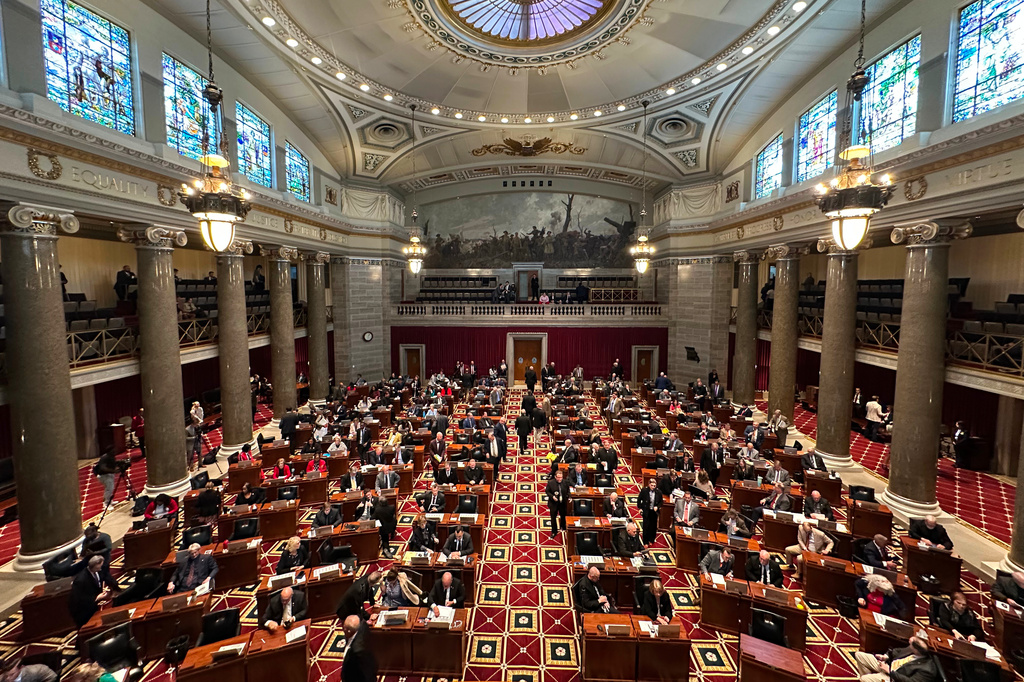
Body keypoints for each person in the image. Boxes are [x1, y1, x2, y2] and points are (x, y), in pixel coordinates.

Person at [853, 636, 940, 682]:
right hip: (887, 666)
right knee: (860, 656)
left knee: (864, 679)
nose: (909, 646)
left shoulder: (927, 670)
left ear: (916, 649)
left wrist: (890, 672)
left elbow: (910, 681)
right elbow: (898, 651)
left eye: (911, 645)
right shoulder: (913, 650)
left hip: (894, 678)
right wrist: (885, 656)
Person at [69, 555, 120, 627]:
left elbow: (107, 577)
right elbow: (79, 599)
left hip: (95, 604)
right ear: (93, 567)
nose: (100, 569)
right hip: (85, 609)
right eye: (98, 567)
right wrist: (96, 598)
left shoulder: (99, 570)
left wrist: (115, 588)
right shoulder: (80, 580)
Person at [341, 614, 377, 682]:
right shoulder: (363, 625)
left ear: (348, 631)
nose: (342, 628)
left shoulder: (355, 651)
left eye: (344, 627)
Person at [637, 478, 663, 544]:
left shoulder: (658, 492)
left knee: (653, 527)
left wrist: (657, 507)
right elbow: (639, 500)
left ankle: (651, 540)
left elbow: (661, 502)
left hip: (654, 512)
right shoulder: (644, 491)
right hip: (646, 511)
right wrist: (640, 508)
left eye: (654, 486)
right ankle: (645, 541)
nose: (653, 487)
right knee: (646, 526)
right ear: (649, 485)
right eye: (652, 485)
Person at [546, 470, 569, 537]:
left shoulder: (565, 482)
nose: (559, 479)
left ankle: (563, 526)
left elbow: (568, 491)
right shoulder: (551, 483)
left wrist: (569, 496)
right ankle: (554, 531)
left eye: (561, 477)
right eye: (558, 477)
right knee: (553, 518)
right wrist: (552, 497)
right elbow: (547, 491)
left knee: (563, 515)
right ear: (555, 477)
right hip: (553, 503)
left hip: (562, 503)